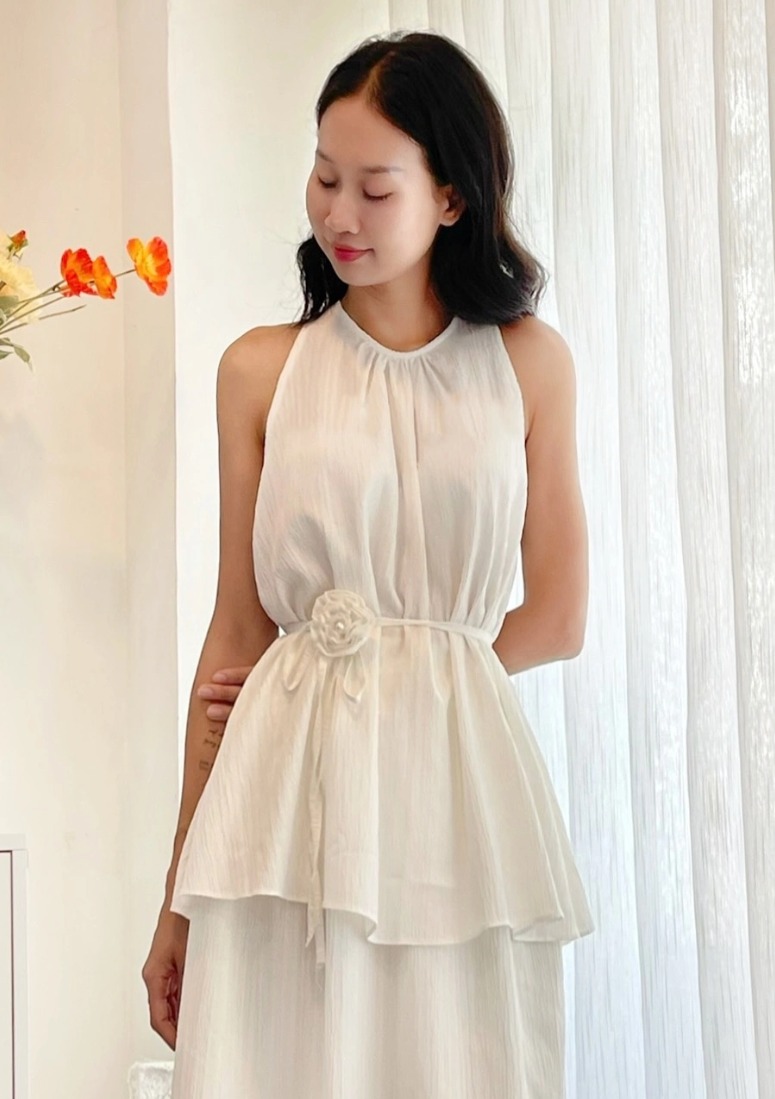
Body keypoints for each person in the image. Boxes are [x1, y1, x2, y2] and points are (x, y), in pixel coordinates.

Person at [142, 28, 594, 1098]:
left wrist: (401, 687)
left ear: (452, 196)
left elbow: (559, 615)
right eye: (324, 176)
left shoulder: (529, 363)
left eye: (375, 188)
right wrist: (174, 898)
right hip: (282, 794)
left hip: (454, 799)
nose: (338, 213)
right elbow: (237, 632)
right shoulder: (260, 371)